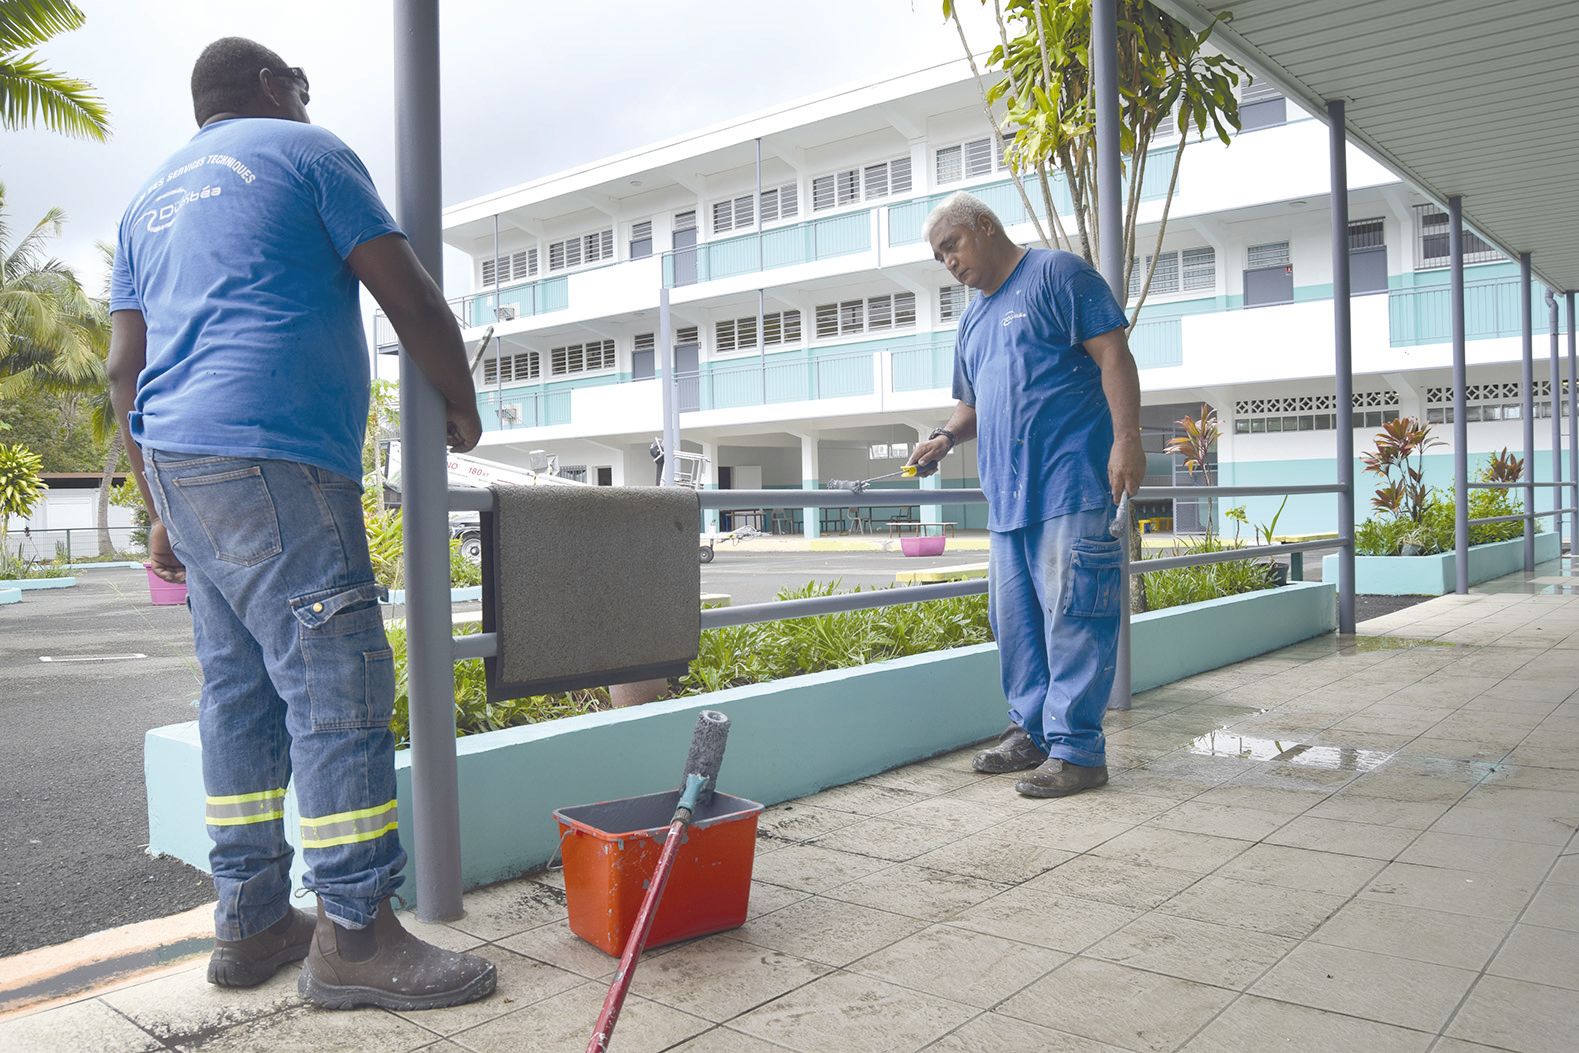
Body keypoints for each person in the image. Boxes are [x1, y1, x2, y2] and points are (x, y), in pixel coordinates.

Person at [107, 37, 495, 1010]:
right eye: (303, 90)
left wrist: (158, 508)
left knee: (237, 692)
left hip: (181, 463)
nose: (308, 103)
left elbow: (124, 367)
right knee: (337, 682)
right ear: (276, 88)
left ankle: (249, 918)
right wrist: (459, 401)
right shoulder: (307, 151)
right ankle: (356, 936)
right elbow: (407, 293)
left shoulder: (145, 203)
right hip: (275, 450)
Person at [907, 192, 1145, 799]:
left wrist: (1127, 441)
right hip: (1006, 502)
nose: (949, 264)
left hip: (1070, 483)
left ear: (984, 227)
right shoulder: (973, 320)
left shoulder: (1058, 275)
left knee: (1074, 618)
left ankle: (1079, 752)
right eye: (939, 257)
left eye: (952, 246)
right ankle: (1033, 734)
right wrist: (943, 437)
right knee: (1015, 627)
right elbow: (972, 406)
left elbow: (1112, 351)